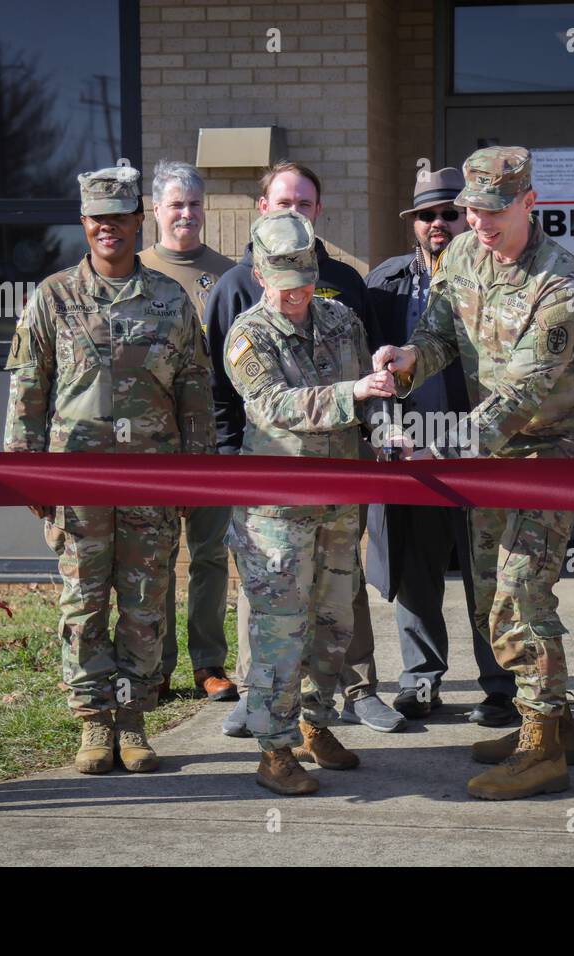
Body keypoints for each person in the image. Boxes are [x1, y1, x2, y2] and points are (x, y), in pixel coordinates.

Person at [375, 146, 574, 800]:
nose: (478, 222)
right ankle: (554, 723)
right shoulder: (464, 256)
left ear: (530, 202)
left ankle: (540, 750)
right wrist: (405, 360)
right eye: (472, 209)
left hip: (552, 452)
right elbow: (441, 332)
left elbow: (524, 395)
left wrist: (439, 442)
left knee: (519, 592)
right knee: (485, 594)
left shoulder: (561, 280)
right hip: (490, 456)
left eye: (494, 210)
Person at [4, 166, 214, 775]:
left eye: (119, 218)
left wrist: (196, 475)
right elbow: (27, 390)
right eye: (97, 218)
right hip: (76, 481)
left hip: (152, 478)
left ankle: (132, 719)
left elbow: (195, 391)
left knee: (146, 602)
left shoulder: (172, 300)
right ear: (83, 223)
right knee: (84, 603)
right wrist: (27, 472)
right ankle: (94, 723)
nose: (108, 228)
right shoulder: (53, 296)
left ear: (136, 221)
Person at [207, 162, 403, 734]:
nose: (298, 297)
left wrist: (384, 425)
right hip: (278, 511)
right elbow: (275, 407)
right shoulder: (249, 335)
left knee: (334, 624)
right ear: (262, 277)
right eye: (286, 287)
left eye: (307, 284)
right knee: (280, 634)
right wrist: (355, 392)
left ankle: (317, 728)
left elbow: (371, 399)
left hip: (339, 506)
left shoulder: (342, 319)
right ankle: (275, 748)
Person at [364, 166, 518, 728]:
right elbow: (370, 364)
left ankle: (500, 684)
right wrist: (383, 429)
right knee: (414, 568)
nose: (438, 224)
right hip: (409, 451)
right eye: (426, 215)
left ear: (469, 217)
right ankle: (420, 681)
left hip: (478, 448)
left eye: (449, 213)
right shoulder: (384, 282)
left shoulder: (495, 276)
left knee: (488, 572)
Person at [138, 158, 238, 703]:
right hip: (152, 440)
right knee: (153, 558)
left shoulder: (229, 274)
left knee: (208, 555)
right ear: (157, 210)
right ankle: (155, 667)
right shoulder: (135, 272)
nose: (186, 214)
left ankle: (208, 664)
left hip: (214, 437)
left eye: (195, 204)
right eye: (176, 204)